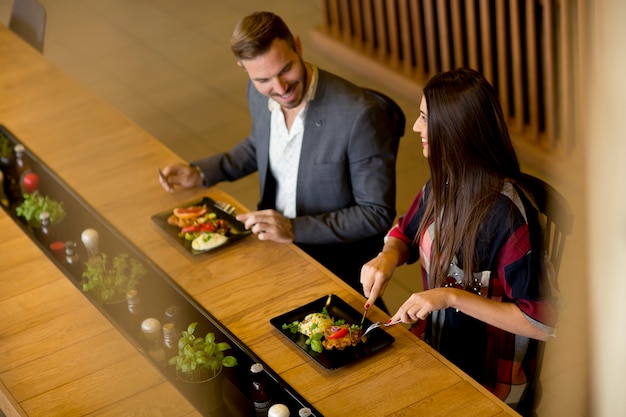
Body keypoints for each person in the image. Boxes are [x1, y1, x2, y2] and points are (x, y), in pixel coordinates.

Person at [159, 11, 397, 302]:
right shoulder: (257, 91)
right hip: (271, 246)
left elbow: (376, 214)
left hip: (332, 263)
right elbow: (261, 146)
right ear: (243, 69)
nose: (280, 89)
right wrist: (202, 172)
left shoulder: (360, 115)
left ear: (297, 46)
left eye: (286, 70)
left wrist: (293, 229)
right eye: (264, 80)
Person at [359, 68, 559, 414]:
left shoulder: (509, 217)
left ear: (455, 131)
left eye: (424, 118)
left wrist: (450, 296)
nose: (416, 128)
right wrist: (387, 256)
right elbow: (405, 232)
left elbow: (541, 322)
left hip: (490, 379)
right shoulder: (444, 183)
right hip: (436, 348)